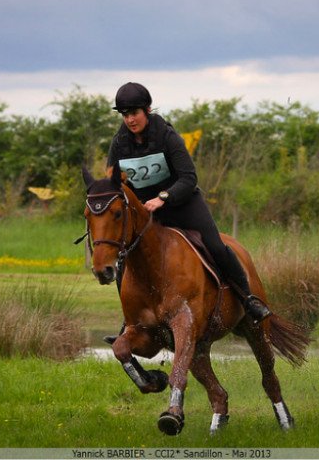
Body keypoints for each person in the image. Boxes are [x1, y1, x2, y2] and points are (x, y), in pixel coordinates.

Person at [103, 82, 270, 343]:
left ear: (147, 110)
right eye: (125, 115)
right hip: (147, 215)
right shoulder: (119, 144)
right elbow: (114, 182)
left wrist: (163, 198)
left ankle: (248, 299)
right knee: (126, 259)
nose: (130, 119)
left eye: (134, 113)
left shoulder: (167, 136)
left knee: (215, 245)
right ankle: (131, 321)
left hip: (183, 204)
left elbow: (189, 177)